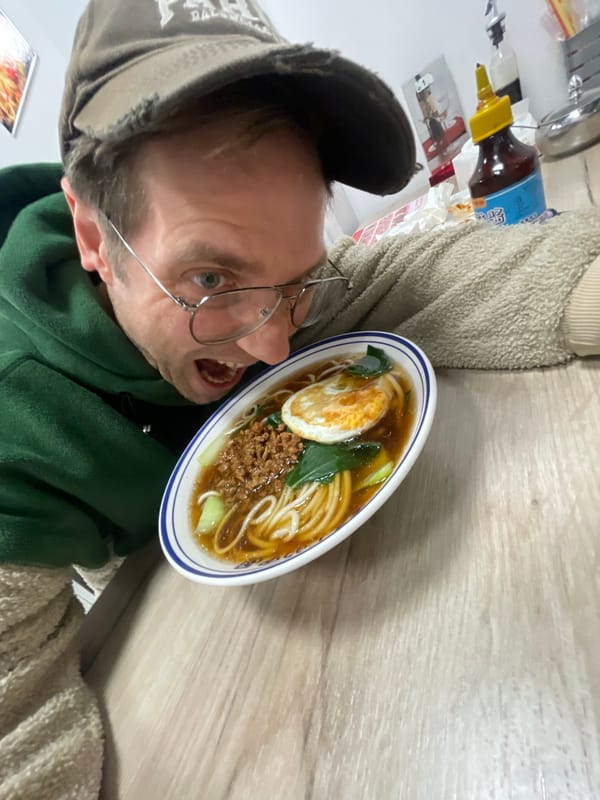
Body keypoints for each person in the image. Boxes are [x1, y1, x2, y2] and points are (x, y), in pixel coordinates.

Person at [1, 0, 599, 796]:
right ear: (91, 238)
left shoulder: (265, 295)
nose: (273, 345)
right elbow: (22, 734)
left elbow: (409, 277)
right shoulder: (16, 434)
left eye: (295, 281)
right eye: (209, 280)